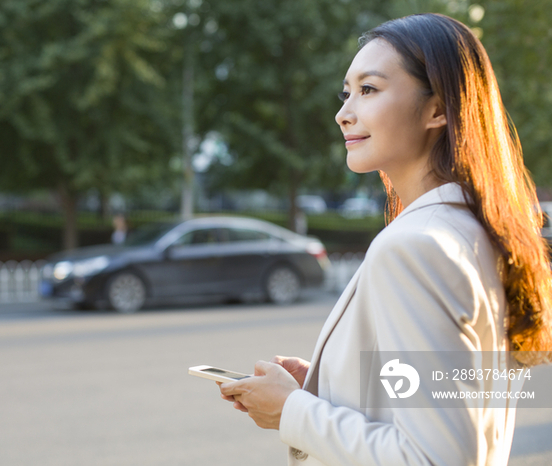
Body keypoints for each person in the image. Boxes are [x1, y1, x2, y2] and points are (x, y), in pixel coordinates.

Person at [218, 14, 552, 466]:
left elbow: (437, 458)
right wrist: (330, 384)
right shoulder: (472, 231)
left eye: (368, 89)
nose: (343, 113)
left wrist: (292, 411)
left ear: (438, 109)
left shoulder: (416, 246)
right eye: (346, 92)